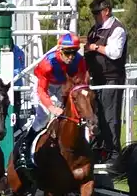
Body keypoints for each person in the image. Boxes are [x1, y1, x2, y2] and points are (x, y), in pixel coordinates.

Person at [14, 32, 88, 171]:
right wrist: (51, 107)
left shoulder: (80, 61)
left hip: (62, 85)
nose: (71, 57)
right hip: (43, 85)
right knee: (44, 116)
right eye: (68, 53)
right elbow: (42, 90)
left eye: (74, 52)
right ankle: (26, 146)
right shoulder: (48, 63)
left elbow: (81, 84)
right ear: (60, 51)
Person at [85, 0, 128, 160]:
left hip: (111, 79)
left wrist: (93, 47)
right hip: (96, 79)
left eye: (97, 13)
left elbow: (115, 53)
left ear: (107, 11)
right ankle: (97, 150)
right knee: (96, 115)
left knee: (110, 117)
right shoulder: (95, 29)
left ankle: (114, 154)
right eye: (93, 13)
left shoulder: (117, 29)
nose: (94, 16)